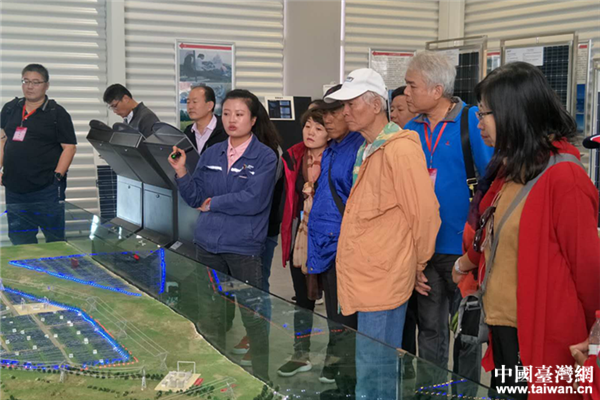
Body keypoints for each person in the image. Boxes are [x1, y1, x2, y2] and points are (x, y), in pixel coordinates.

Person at [452, 62, 600, 399]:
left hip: (544, 335)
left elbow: (588, 272)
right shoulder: (513, 170)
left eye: (485, 113)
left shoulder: (565, 178)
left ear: (514, 113)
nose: (479, 123)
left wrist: (594, 340)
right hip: (506, 330)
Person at [325, 68, 440, 400]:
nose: (345, 112)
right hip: (369, 274)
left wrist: (417, 263)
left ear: (376, 105)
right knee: (370, 365)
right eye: (343, 105)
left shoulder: (399, 149)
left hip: (385, 276)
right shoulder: (369, 148)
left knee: (376, 370)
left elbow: (425, 213)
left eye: (351, 104)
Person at [168, 89, 279, 381]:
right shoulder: (212, 153)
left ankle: (261, 378)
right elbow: (195, 198)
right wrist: (182, 172)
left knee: (252, 316)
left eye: (239, 114)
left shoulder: (265, 157)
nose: (232, 120)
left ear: (253, 120)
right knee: (211, 314)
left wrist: (214, 203)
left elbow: (254, 200)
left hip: (243, 247)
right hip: (207, 245)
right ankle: (215, 376)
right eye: (227, 113)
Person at [403, 51, 493, 383]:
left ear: (436, 89)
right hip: (424, 250)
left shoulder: (472, 123)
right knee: (429, 329)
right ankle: (432, 389)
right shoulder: (409, 130)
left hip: (464, 250)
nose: (406, 93)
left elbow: (492, 181)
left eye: (412, 85)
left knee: (467, 333)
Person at [289, 84, 364, 388]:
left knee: (346, 322)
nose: (329, 120)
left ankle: (346, 380)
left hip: (345, 247)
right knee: (333, 317)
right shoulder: (331, 149)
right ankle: (339, 378)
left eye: (334, 112)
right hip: (323, 245)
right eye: (324, 115)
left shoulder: (360, 149)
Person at [278, 107, 330, 378]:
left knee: (335, 306)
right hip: (301, 235)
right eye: (308, 126)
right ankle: (300, 354)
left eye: (318, 128)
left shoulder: (337, 157)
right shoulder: (294, 156)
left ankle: (334, 362)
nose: (311, 132)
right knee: (302, 301)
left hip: (330, 238)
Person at [0, 64, 77, 245]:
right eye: (26, 81)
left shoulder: (57, 113)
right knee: (20, 239)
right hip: (14, 189)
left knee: (55, 239)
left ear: (46, 85)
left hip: (46, 190)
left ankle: (57, 264)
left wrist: (57, 177)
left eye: (36, 82)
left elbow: (69, 147)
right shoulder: (10, 108)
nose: (30, 87)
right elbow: (2, 140)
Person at [183, 85, 227, 154]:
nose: (190, 106)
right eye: (188, 102)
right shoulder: (188, 132)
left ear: (210, 106)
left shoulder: (225, 129)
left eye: (195, 102)